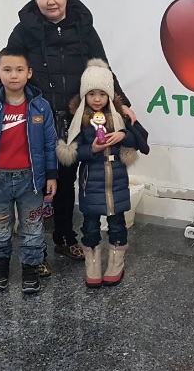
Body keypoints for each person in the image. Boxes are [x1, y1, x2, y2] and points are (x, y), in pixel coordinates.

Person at [0, 0, 136, 274]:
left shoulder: (83, 26)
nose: (50, 1)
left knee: (65, 182)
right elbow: (10, 64)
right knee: (37, 182)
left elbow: (102, 69)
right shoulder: (25, 29)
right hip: (38, 119)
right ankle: (34, 252)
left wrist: (123, 103)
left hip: (75, 119)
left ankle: (64, 237)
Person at [0, 46, 58, 293]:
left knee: (32, 228)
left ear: (29, 73)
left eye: (19, 69)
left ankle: (30, 269)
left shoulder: (40, 107)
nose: (14, 75)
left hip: (31, 181)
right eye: (7, 70)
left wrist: (51, 175)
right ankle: (0, 269)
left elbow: (50, 144)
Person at [56, 58, 142, 288]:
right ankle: (92, 264)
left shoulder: (119, 118)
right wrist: (92, 150)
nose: (96, 99)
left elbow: (140, 141)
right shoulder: (80, 121)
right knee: (90, 226)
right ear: (84, 95)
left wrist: (123, 135)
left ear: (110, 96)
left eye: (102, 94)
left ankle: (116, 263)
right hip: (91, 183)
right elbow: (72, 151)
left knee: (117, 224)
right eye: (91, 93)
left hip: (117, 183)